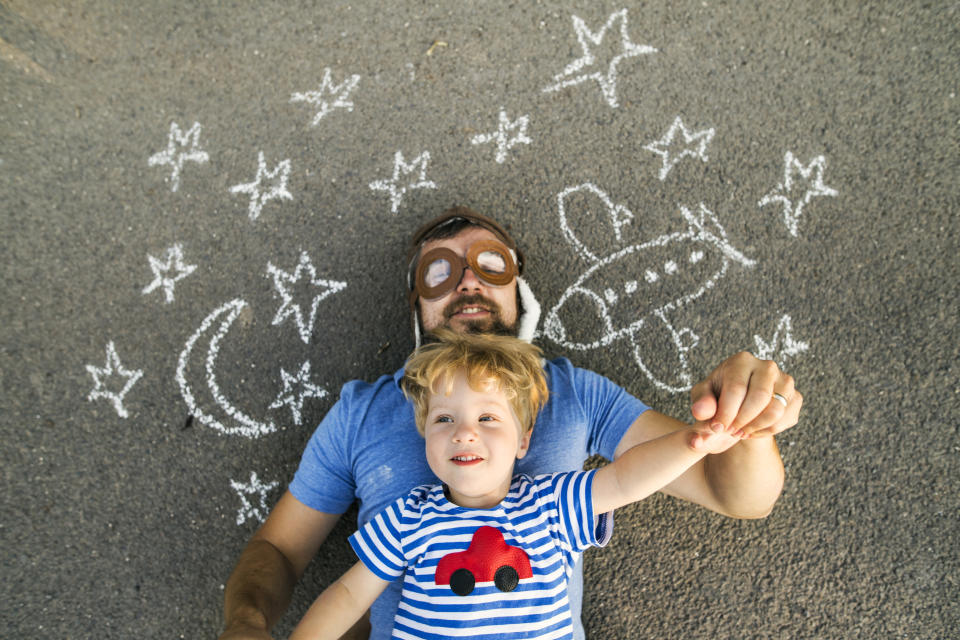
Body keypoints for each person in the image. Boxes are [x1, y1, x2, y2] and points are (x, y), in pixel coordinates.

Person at [219, 207, 801, 640]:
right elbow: (291, 554)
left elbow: (732, 496)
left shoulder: (574, 395)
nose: (467, 281)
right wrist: (246, 626)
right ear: (415, 305)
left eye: (489, 264)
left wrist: (738, 425)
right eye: (439, 272)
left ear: (519, 290)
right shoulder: (364, 413)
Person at [289, 330, 745, 639]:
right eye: (444, 419)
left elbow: (625, 479)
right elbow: (349, 595)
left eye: (487, 418)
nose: (464, 432)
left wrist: (693, 443)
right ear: (425, 437)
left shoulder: (550, 504)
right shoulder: (409, 517)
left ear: (524, 439)